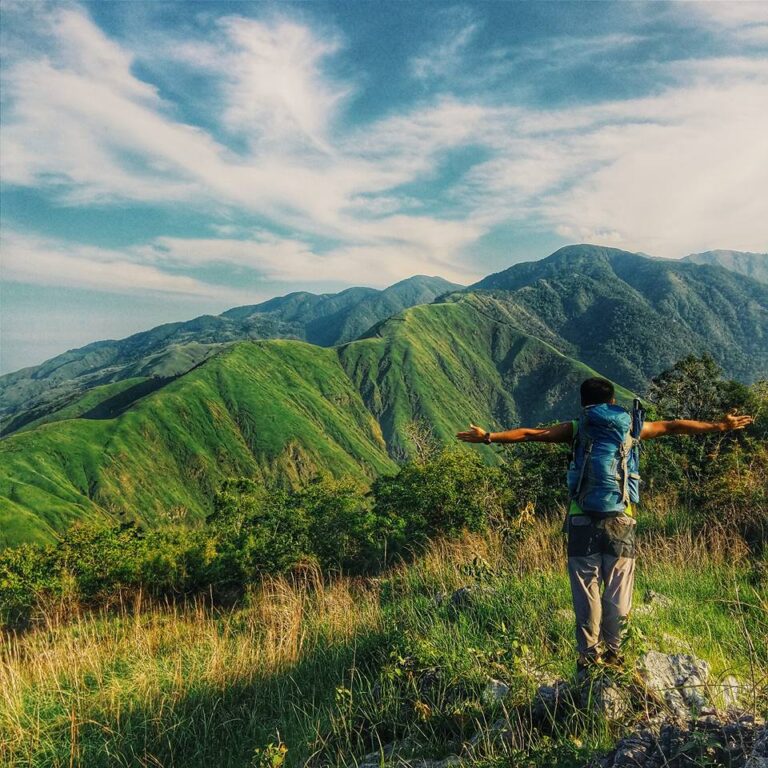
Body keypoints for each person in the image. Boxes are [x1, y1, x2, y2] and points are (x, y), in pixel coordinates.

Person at [456, 376, 753, 673]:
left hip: (581, 517)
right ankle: (615, 652)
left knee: (587, 590)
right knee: (619, 589)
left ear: (584, 403)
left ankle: (588, 657)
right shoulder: (631, 429)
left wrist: (488, 436)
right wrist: (721, 426)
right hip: (621, 517)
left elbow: (531, 434)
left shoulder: (577, 428)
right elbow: (674, 426)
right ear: (613, 402)